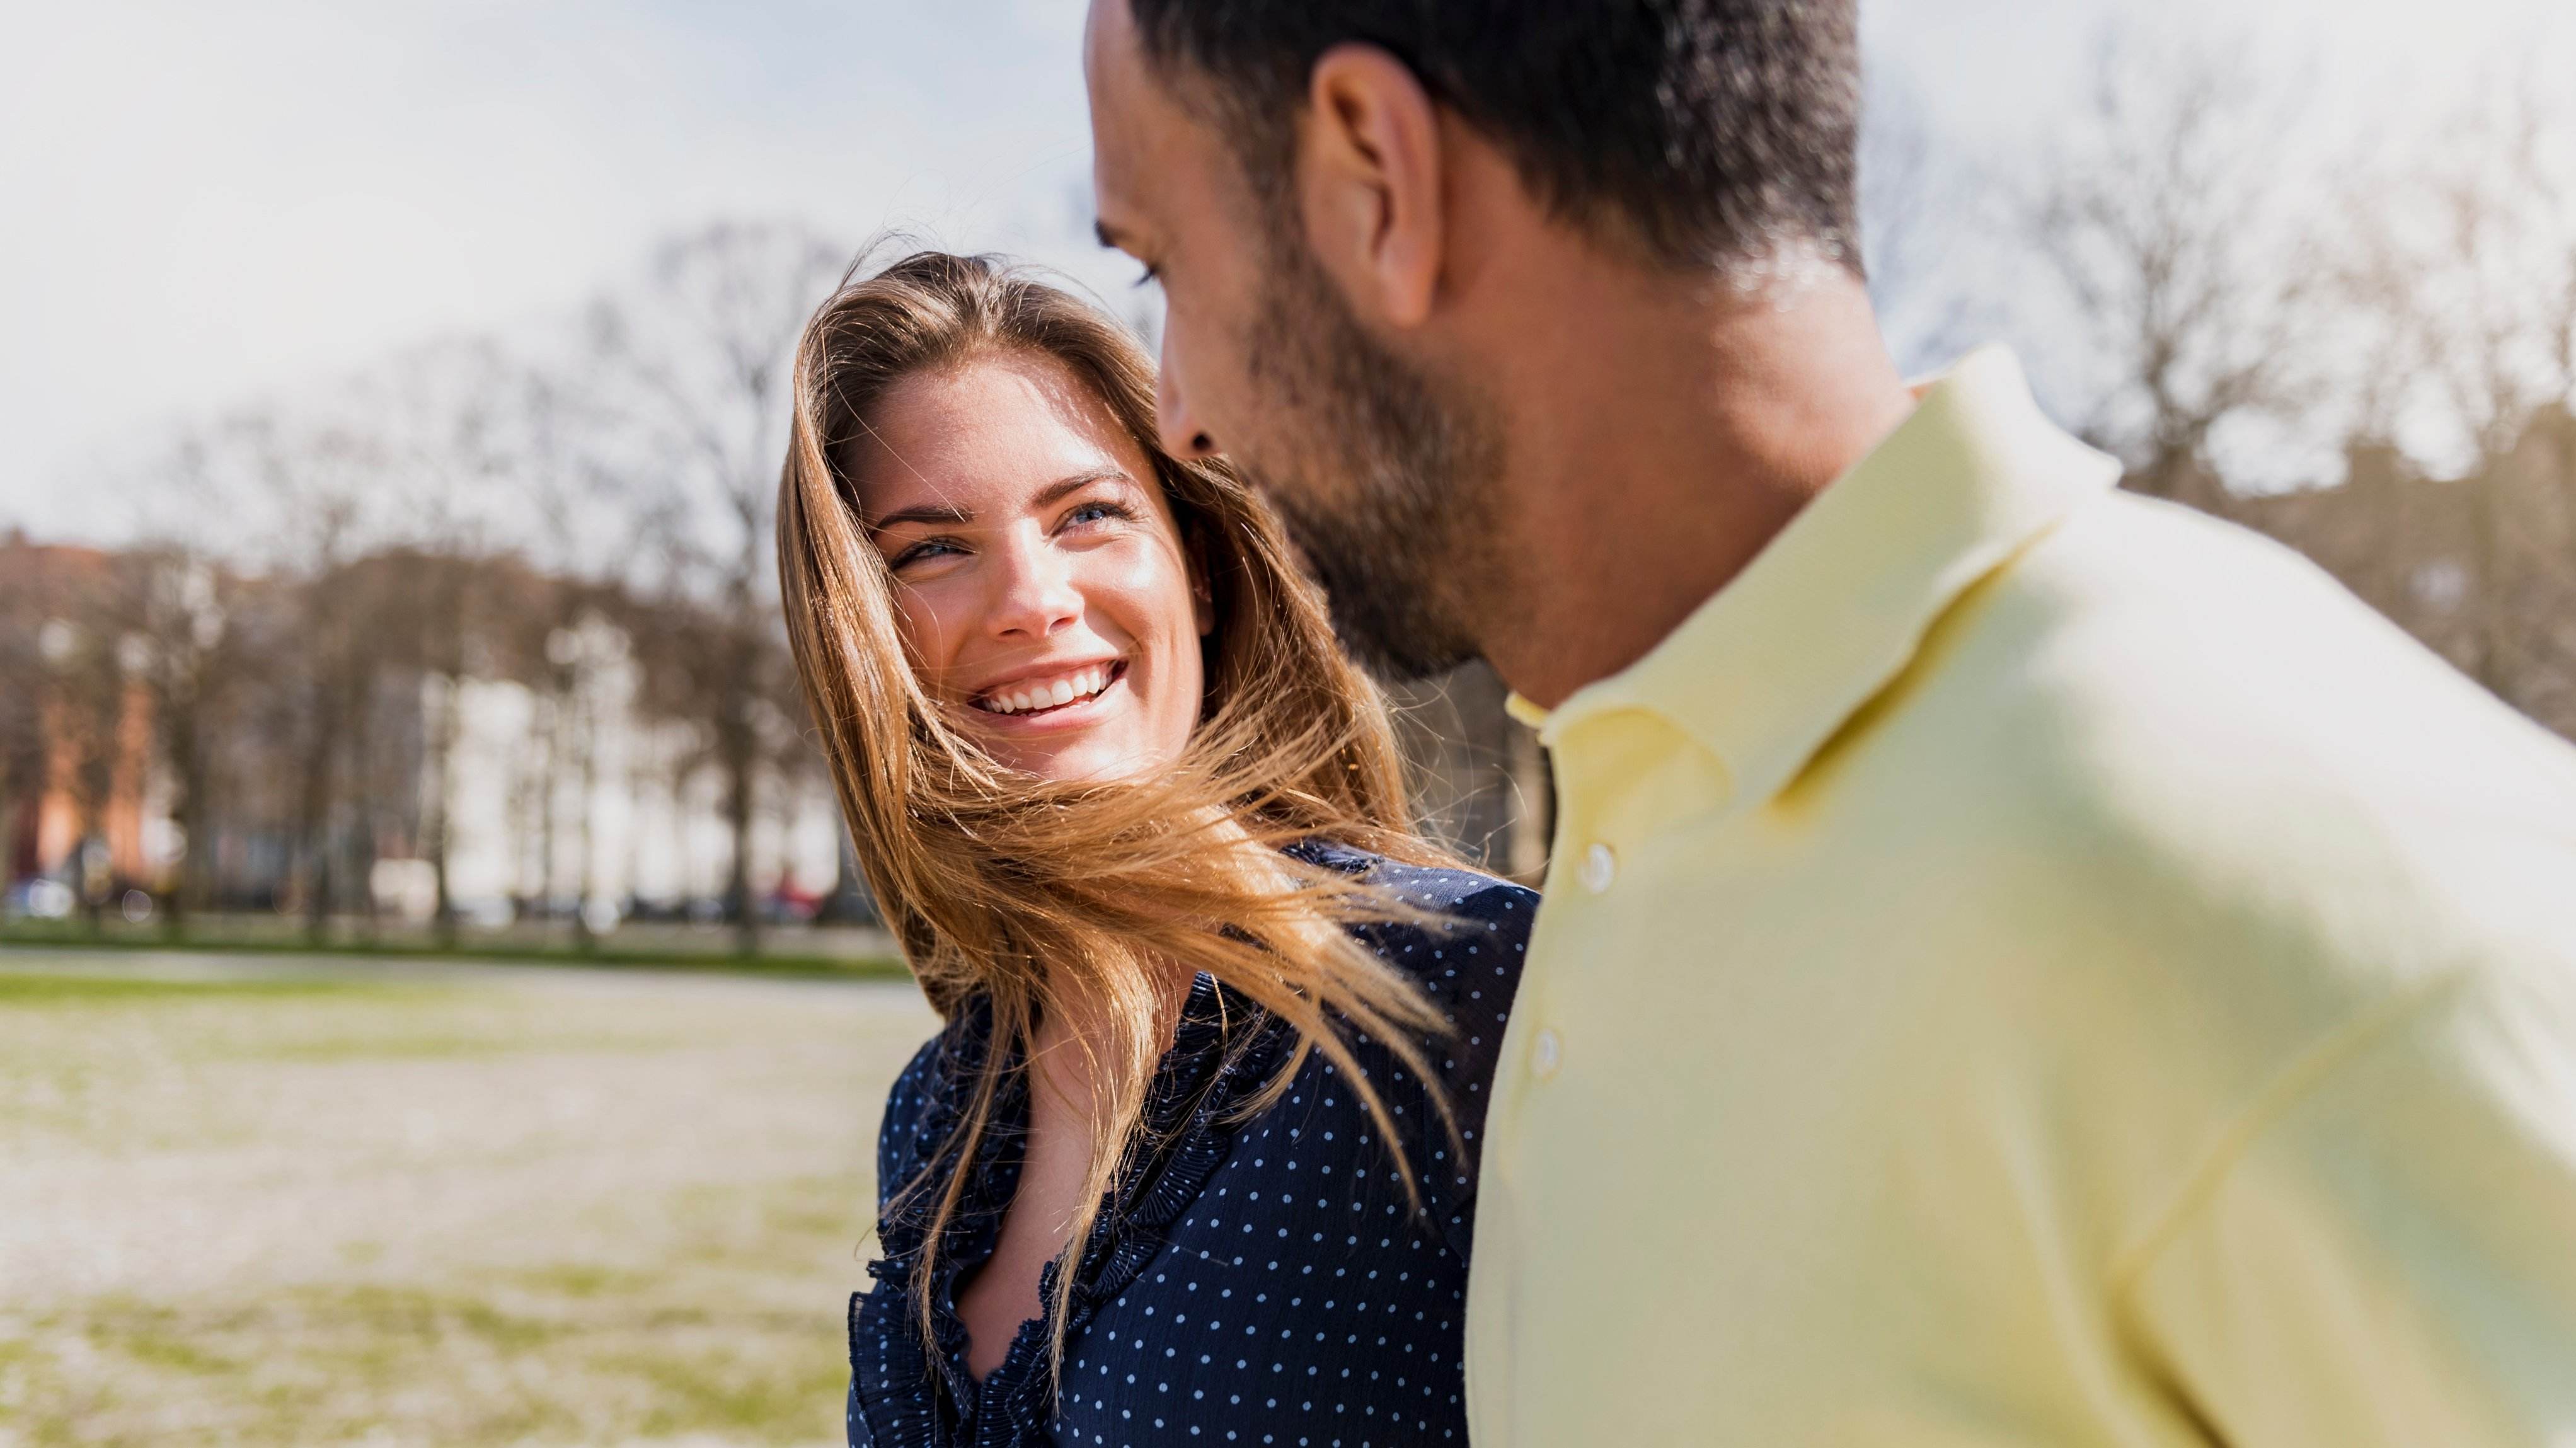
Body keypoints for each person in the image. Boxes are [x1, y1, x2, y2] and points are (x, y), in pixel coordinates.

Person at [1083, 3, 2576, 1444]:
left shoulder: (2284, 858)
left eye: (1162, 268)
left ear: (1373, 179)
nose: (1181, 416)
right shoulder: (1641, 826)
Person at [775, 249, 1535, 1448]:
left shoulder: (1467, 990)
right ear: (863, 640)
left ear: (1204, 570)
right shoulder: (940, 1110)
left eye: (1088, 515)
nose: (1033, 598)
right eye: (930, 546)